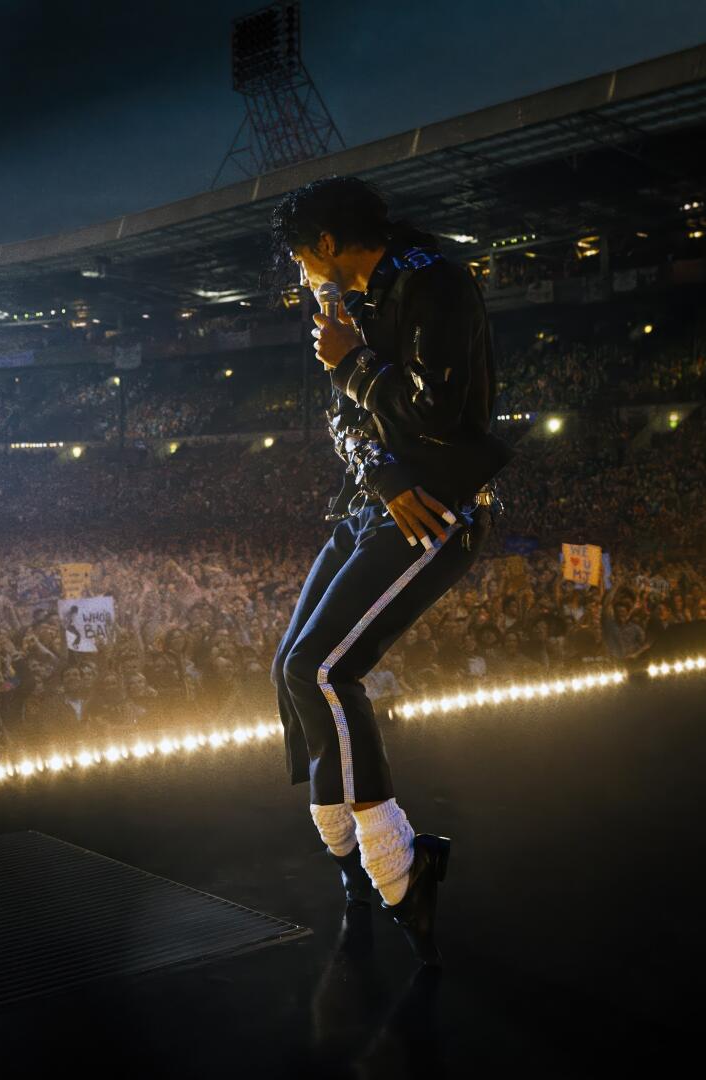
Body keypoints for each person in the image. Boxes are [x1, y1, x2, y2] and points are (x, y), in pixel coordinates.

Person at [268, 175, 514, 967]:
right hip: (381, 499)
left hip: (438, 510)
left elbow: (438, 413)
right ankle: (346, 851)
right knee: (290, 669)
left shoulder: (433, 283)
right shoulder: (348, 298)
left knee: (326, 669)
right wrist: (380, 472)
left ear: (331, 244)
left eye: (304, 254)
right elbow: (342, 417)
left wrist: (353, 363)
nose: (302, 271)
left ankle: (401, 867)